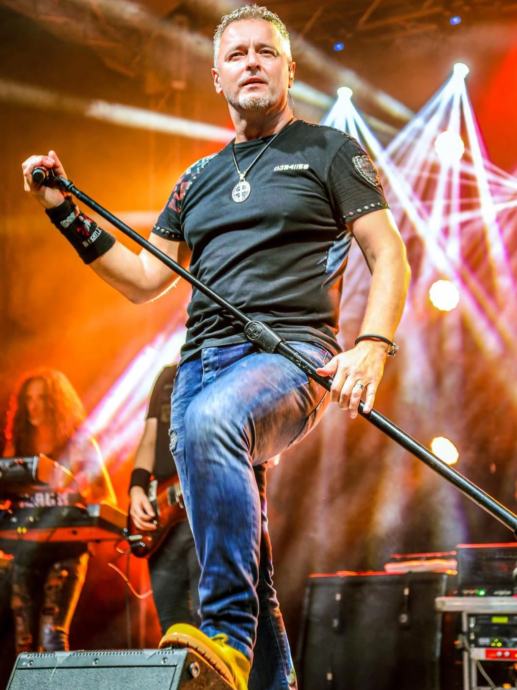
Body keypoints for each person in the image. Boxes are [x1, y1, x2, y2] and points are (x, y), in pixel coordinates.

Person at [21, 4, 410, 687]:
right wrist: (64, 214)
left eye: (265, 51)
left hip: (288, 356)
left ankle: (225, 635)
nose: (251, 63)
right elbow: (144, 280)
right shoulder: (195, 180)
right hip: (199, 370)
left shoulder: (330, 150)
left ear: (289, 69)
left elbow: (389, 254)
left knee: (212, 424)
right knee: (248, 554)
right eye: (237, 54)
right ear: (217, 77)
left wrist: (372, 344)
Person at [2, 368, 116, 653]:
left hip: (66, 550)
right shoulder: (19, 445)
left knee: (52, 634)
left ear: (56, 403)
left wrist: (78, 489)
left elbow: (107, 498)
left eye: (41, 399)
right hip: (25, 550)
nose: (33, 406)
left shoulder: (79, 444)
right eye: (29, 399)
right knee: (24, 640)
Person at [129, 364, 200, 633]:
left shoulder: (224, 366)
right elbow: (149, 438)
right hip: (163, 518)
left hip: (203, 513)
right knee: (172, 623)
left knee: (207, 614)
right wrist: (137, 488)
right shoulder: (168, 375)